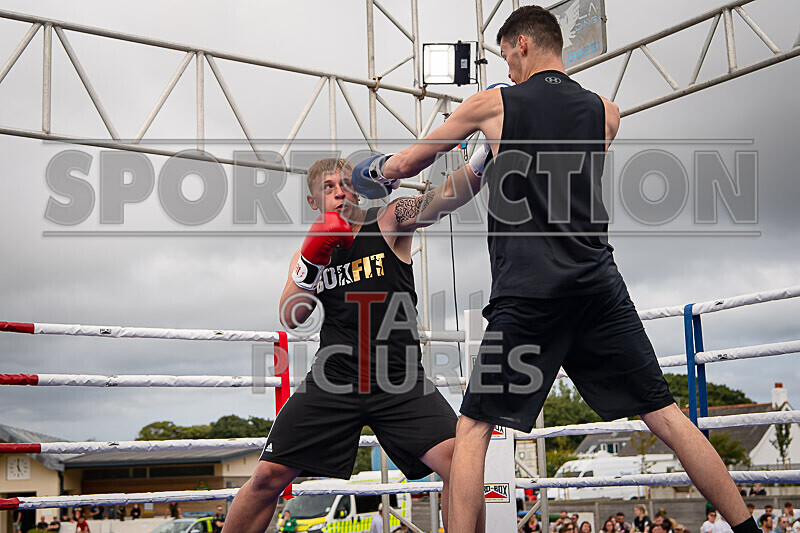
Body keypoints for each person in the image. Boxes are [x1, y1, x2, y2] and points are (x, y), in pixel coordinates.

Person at [353, 5, 766, 533]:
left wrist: (374, 173)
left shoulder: (492, 105)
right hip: (597, 286)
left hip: (528, 293)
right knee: (667, 416)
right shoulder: (606, 112)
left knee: (474, 426)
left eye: (506, 56)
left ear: (523, 43)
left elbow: (410, 163)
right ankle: (747, 528)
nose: (506, 69)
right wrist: (489, 163)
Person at [221, 158, 472, 533]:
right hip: (335, 377)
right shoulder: (305, 255)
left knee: (461, 463)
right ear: (313, 202)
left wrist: (481, 164)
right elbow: (291, 316)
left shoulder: (389, 220)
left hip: (399, 379)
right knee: (267, 477)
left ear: (359, 188)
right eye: (328, 188)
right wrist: (313, 258)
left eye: (345, 184)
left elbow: (444, 199)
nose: (340, 193)